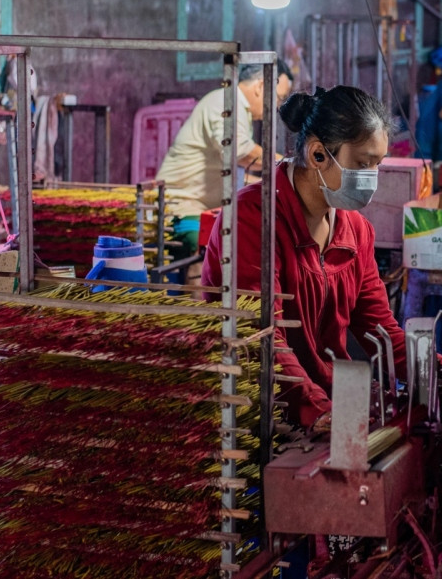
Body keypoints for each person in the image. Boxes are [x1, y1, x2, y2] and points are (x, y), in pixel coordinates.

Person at [201, 86, 406, 430]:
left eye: (377, 165)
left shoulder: (356, 231)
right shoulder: (252, 219)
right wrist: (317, 409)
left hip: (329, 406)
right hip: (258, 413)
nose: (371, 177)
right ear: (318, 155)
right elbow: (261, 335)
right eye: (362, 163)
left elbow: (380, 330)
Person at [155, 59, 293, 253]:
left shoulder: (239, 110)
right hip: (181, 210)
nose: (277, 106)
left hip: (207, 209)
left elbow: (233, 174)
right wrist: (289, 165)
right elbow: (239, 151)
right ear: (261, 86)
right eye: (279, 98)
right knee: (211, 248)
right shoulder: (225, 101)